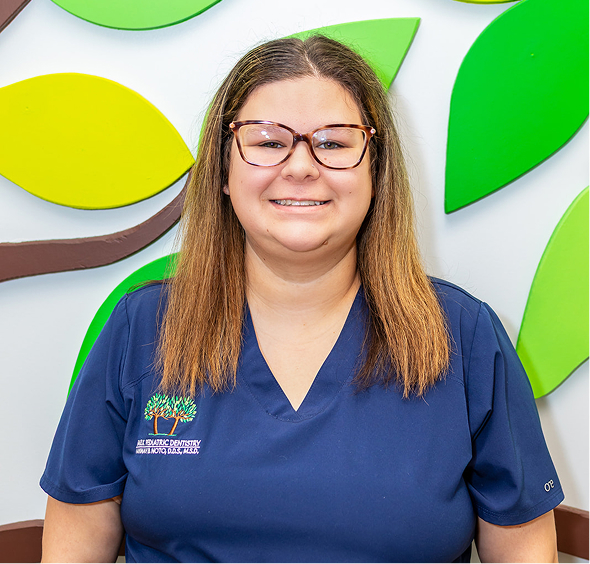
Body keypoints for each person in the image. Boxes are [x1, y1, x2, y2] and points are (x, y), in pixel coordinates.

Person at [40, 35, 563, 563]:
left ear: (376, 172)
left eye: (333, 143)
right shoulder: (142, 328)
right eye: (268, 142)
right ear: (223, 171)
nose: (300, 166)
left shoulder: (463, 335)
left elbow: (524, 547)